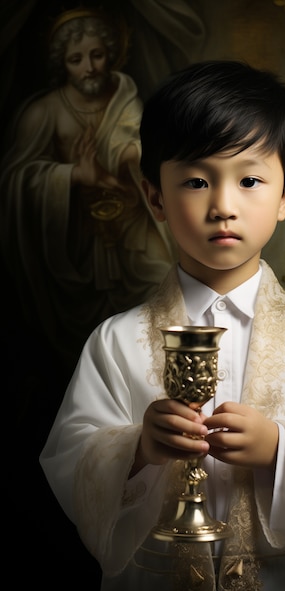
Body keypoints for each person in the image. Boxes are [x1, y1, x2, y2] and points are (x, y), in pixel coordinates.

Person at [40, 60, 285, 591]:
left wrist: (282, 451)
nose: (223, 205)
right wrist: (137, 449)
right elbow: (69, 459)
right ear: (154, 196)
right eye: (197, 180)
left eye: (250, 179)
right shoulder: (115, 341)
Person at [0, 8, 175, 373]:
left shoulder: (125, 97)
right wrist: (73, 176)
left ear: (110, 52)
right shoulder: (43, 112)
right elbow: (17, 179)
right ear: (62, 62)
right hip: (73, 239)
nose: (90, 67)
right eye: (76, 59)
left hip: (128, 224)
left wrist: (129, 155)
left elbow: (142, 147)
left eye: (96, 55)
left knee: (164, 281)